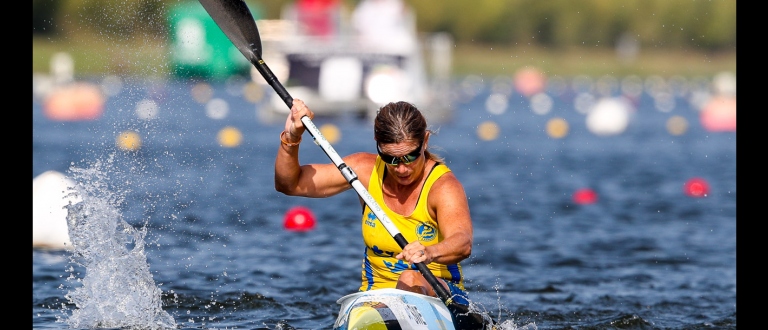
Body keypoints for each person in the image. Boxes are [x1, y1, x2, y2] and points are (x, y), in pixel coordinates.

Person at [274, 99, 474, 307]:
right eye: (391, 159)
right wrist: (291, 137)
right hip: (376, 301)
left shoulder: (442, 187)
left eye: (410, 156)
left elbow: (462, 242)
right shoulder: (364, 171)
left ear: (424, 141)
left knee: (410, 278)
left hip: (442, 299)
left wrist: (430, 252)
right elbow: (290, 184)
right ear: (377, 143)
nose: (402, 169)